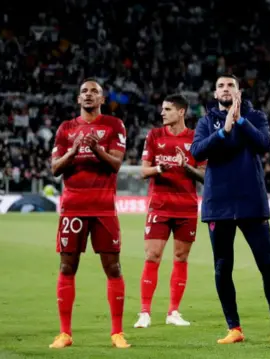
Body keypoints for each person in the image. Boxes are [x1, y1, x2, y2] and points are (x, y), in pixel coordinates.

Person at [190, 74, 270, 345]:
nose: (225, 89)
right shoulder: (205, 121)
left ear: (239, 92)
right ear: (214, 93)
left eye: (230, 86)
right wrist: (223, 130)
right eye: (221, 85)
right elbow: (197, 151)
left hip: (251, 201)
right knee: (223, 267)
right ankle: (234, 328)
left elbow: (264, 143)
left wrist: (240, 121)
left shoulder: (255, 117)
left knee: (267, 264)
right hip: (219, 204)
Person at [49, 79, 130, 349]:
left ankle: (117, 332)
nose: (89, 94)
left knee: (113, 268)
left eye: (94, 91)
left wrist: (96, 148)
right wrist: (74, 150)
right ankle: (65, 333)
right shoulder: (66, 129)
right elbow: (55, 168)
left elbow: (116, 164)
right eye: (84, 91)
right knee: (67, 267)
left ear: (102, 99)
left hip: (103, 208)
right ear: (78, 99)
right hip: (73, 207)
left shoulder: (114, 125)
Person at [134, 94, 206, 329]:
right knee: (152, 255)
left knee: (181, 257)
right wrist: (158, 168)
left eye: (167, 109)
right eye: (162, 109)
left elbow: (205, 175)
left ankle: (173, 311)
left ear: (181, 112)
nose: (162, 113)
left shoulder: (196, 139)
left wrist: (186, 167)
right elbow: (143, 172)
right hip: (160, 205)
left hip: (186, 206)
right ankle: (144, 312)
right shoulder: (154, 135)